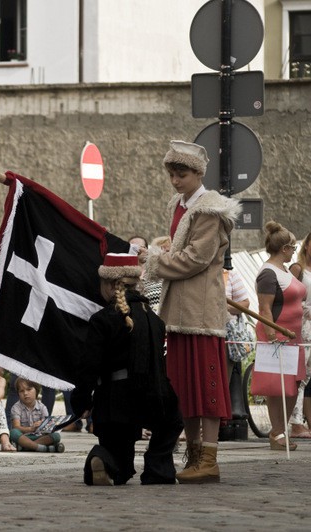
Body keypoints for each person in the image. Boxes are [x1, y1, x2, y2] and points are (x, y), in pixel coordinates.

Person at [142, 140, 239, 484]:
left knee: (207, 384)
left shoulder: (209, 210)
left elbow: (196, 259)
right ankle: (195, 452)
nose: (174, 180)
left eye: (181, 174)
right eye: (171, 174)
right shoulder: (181, 205)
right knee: (183, 387)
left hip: (201, 311)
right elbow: (180, 251)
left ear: (199, 173)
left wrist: (154, 261)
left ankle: (208, 456)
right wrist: (159, 252)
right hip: (178, 310)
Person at [73, 253, 183, 486]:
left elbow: (89, 367)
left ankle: (102, 459)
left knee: (118, 465)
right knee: (169, 428)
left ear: (112, 284)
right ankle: (158, 469)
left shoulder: (103, 319)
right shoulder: (155, 320)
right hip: (159, 399)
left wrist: (81, 401)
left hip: (117, 403)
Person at [255, 222, 307, 451]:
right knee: (277, 387)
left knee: (294, 383)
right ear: (284, 248)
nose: (295, 251)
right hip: (277, 336)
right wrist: (272, 336)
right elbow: (264, 308)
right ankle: (277, 432)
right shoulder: (268, 273)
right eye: (293, 247)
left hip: (294, 336)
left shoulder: (285, 270)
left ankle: (280, 429)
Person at [289, 233, 311, 438]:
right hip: (303, 327)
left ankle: (300, 420)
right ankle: (295, 422)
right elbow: (288, 296)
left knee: (308, 376)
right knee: (300, 375)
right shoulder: (298, 269)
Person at [9, 377, 64, 452]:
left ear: (36, 390)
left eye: (29, 389)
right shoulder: (16, 408)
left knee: (56, 436)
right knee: (13, 433)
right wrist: (30, 429)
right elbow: (16, 427)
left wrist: (43, 425)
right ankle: (43, 448)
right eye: (21, 391)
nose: (25, 393)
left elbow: (48, 428)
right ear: (18, 394)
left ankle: (27, 447)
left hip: (39, 437)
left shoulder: (42, 407)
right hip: (23, 437)